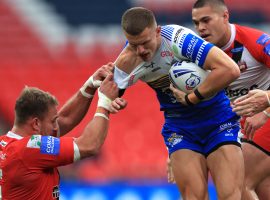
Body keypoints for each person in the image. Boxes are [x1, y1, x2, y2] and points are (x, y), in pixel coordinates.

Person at [111, 6, 244, 200]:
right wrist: (111, 103)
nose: (141, 50)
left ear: (157, 32)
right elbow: (108, 94)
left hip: (218, 120)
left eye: (145, 42)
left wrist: (193, 97)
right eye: (133, 45)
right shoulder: (127, 60)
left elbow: (230, 69)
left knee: (230, 196)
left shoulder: (179, 40)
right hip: (180, 127)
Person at [0, 63, 127, 200]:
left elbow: (65, 119)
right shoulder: (29, 148)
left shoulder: (7, 144)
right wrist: (105, 102)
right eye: (52, 121)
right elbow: (89, 145)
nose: (56, 127)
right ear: (36, 123)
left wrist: (90, 86)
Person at [190, 0, 270, 199]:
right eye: (196, 22)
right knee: (262, 188)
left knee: (238, 182)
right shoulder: (197, 55)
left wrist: (267, 107)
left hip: (265, 117)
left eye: (206, 20)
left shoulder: (258, 42)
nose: (201, 28)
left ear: (225, 16)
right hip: (242, 127)